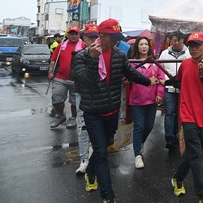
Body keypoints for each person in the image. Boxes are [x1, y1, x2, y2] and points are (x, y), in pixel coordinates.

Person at [71, 18, 159, 203]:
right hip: (93, 111)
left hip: (112, 111)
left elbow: (130, 72)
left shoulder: (119, 54)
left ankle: (91, 171)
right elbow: (83, 81)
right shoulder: (81, 56)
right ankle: (107, 195)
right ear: (101, 37)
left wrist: (148, 81)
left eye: (118, 37)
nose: (117, 40)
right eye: (113, 37)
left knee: (106, 144)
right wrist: (94, 60)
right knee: (101, 151)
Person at [162, 32, 203, 203]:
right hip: (187, 115)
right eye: (191, 45)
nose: (193, 48)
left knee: (193, 153)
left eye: (197, 45)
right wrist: (162, 83)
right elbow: (177, 80)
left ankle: (177, 178)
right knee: (196, 155)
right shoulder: (186, 64)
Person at [129, 36, 165, 169]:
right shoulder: (132, 63)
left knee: (149, 126)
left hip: (152, 101)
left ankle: (140, 142)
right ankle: (137, 154)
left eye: (146, 44)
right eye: (141, 44)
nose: (144, 46)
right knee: (139, 126)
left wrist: (160, 94)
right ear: (137, 47)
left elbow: (161, 79)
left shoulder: (156, 62)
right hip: (136, 100)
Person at [73, 24, 99, 175]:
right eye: (91, 37)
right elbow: (78, 77)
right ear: (84, 39)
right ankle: (84, 159)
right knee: (83, 127)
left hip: (99, 97)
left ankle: (96, 157)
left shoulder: (105, 54)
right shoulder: (78, 55)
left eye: (96, 37)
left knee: (98, 129)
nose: (94, 40)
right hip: (82, 95)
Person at [48, 26, 86, 129]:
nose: (73, 36)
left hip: (76, 79)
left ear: (79, 35)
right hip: (60, 78)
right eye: (71, 34)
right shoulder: (61, 46)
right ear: (68, 35)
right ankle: (60, 115)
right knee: (56, 98)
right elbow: (53, 61)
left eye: (76, 34)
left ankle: (73, 118)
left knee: (74, 101)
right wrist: (50, 72)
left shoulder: (84, 46)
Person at [160, 31, 190, 150]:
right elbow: (160, 70)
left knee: (181, 113)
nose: (176, 43)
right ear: (170, 41)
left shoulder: (189, 53)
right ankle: (169, 138)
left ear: (183, 40)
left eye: (179, 40)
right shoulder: (164, 54)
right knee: (170, 113)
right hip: (169, 89)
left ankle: (179, 135)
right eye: (174, 40)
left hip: (185, 89)